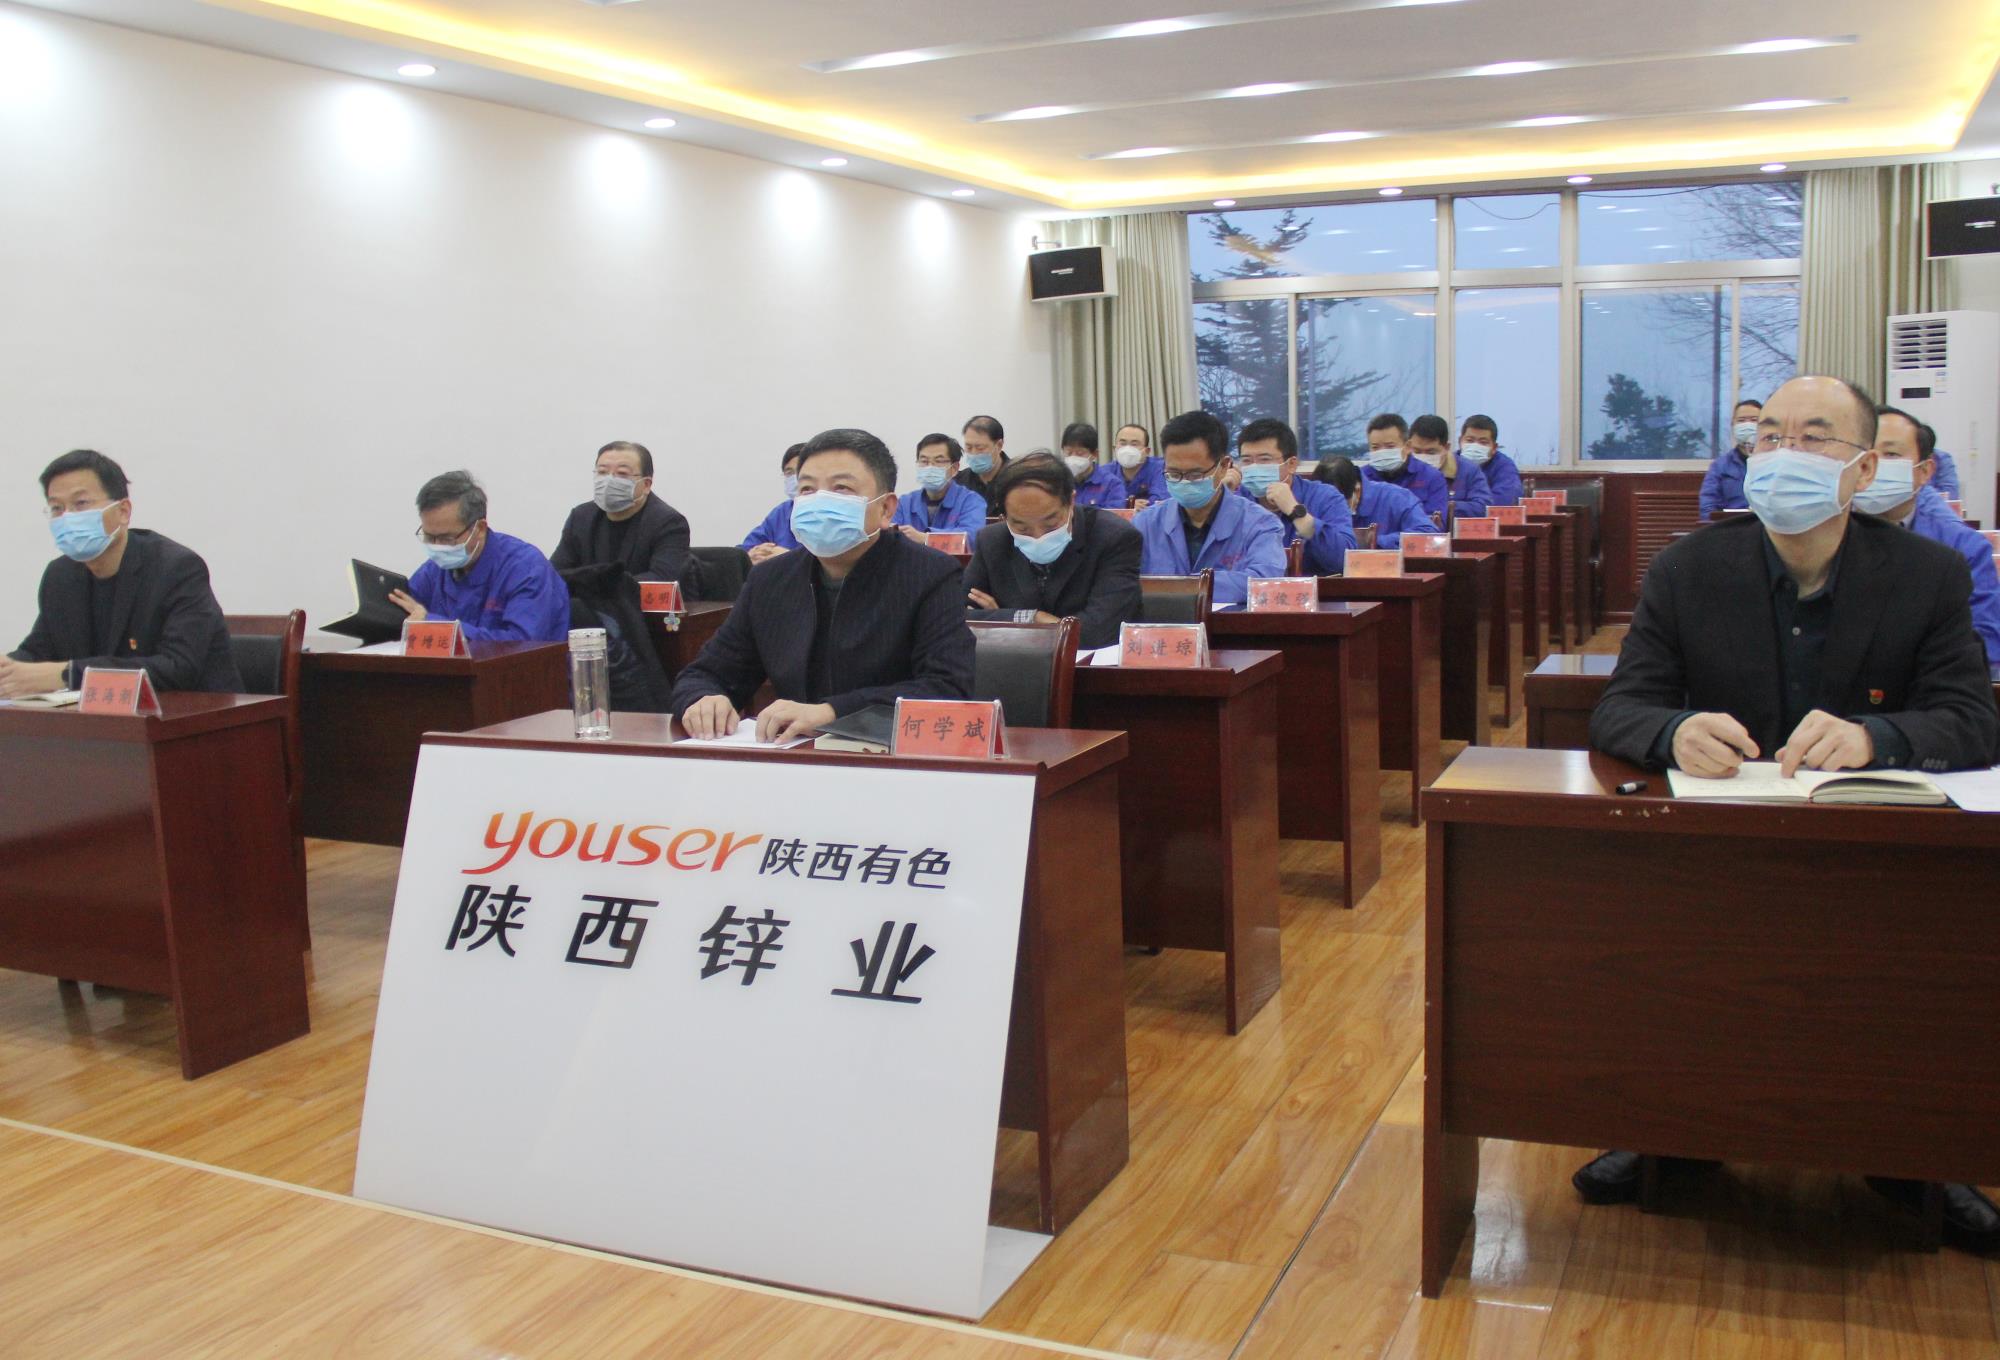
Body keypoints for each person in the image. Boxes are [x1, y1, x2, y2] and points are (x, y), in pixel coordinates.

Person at [1583, 375, 2000, 1250]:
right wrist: (1674, 729)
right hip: (1723, 849)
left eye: (1813, 437)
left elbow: (1972, 719)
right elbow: (1621, 707)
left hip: (1875, 853)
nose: (1782, 454)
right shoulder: (1690, 568)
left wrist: (1876, 738)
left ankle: (1916, 1153)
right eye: (1769, 436)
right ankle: (1673, 1134)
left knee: (1922, 969)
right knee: (1667, 956)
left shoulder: (1928, 574)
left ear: (1863, 470)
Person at [672, 427, 975, 742]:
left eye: (841, 488)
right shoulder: (770, 579)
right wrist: (702, 699)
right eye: (807, 489)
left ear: (885, 509)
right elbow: (706, 673)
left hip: (886, 755)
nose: (819, 501)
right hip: (792, 754)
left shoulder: (930, 573)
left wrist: (832, 713)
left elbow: (947, 688)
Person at [5, 449, 241, 696]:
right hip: (105, 717)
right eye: (56, 508)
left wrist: (68, 674)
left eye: (81, 504)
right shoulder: (60, 575)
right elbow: (38, 652)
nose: (67, 518)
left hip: (201, 714)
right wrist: (8, 669)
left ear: (123, 511)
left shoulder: (176, 568)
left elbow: (178, 667)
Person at [1855, 407, 2000, 669]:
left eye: (1891, 454)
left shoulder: (1962, 548)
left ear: (1925, 470)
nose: (1874, 464)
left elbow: (1983, 646)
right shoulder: (1820, 537)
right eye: (1865, 453)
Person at [964, 452, 1142, 649]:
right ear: (1004, 516)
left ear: (1071, 501)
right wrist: (1030, 618)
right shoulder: (992, 541)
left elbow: (1095, 633)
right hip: (1013, 664)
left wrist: (1000, 622)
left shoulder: (1114, 537)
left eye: (1050, 525)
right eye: (1022, 528)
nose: (1038, 536)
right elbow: (954, 619)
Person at [394, 470, 569, 642]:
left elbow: (521, 644)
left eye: (447, 538)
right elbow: (407, 609)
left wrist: (435, 626)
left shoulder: (526, 569)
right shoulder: (434, 570)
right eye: (429, 537)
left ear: (480, 529)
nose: (438, 547)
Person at [1134, 410, 1285, 605]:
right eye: (1174, 474)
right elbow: (1121, 583)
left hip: (1228, 624)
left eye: (1195, 474)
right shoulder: (1145, 524)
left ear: (1223, 466)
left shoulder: (1261, 524)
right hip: (1159, 624)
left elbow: (1265, 583)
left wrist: (1182, 587)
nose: (1184, 482)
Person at [549, 440, 692, 583]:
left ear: (646, 484)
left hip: (638, 598)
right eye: (602, 472)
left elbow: (662, 579)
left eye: (622, 473)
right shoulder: (581, 517)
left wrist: (598, 587)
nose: (609, 481)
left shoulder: (669, 523)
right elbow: (554, 574)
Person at [1231, 417, 1355, 574]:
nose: (1254, 467)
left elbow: (1344, 562)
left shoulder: (1325, 497)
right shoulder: (1236, 500)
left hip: (1312, 589)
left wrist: (1296, 512)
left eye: (1264, 459)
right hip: (1247, 588)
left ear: (1291, 464)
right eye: (1247, 461)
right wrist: (1221, 499)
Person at [1315, 455, 1435, 550]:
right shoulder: (1313, 500)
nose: (1331, 511)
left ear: (1356, 490)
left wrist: (1374, 542)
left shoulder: (1397, 498)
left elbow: (1428, 535)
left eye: (1338, 504)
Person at [1361, 413, 1449, 527]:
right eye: (1375, 447)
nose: (1382, 452)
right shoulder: (1361, 478)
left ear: (1407, 446)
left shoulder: (1432, 477)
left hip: (1414, 537)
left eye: (1390, 446)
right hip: (1369, 538)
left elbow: (1434, 526)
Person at [894, 434, 987, 538]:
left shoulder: (971, 501)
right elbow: (890, 535)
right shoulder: (904, 503)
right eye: (924, 461)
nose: (930, 467)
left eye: (938, 461)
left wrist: (925, 538)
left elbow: (971, 537)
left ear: (954, 468)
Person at [1408, 414, 1491, 522]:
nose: (1423, 457)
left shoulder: (1469, 471)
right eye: (1417, 451)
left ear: (1446, 447)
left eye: (1431, 452)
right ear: (1408, 446)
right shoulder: (1401, 470)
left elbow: (1483, 507)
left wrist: (1441, 506)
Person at [1698, 397, 1763, 520]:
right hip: (1731, 526)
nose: (1747, 425)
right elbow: (1707, 507)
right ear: (1733, 426)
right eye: (1741, 420)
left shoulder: (1775, 462)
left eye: (1754, 420)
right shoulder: (1720, 466)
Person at [741, 443, 806, 564]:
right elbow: (748, 547)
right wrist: (750, 556)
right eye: (789, 473)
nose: (795, 478)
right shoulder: (782, 512)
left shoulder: (828, 512)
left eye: (800, 471)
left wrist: (789, 558)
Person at [1058, 423, 1130, 510]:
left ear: (1095, 454)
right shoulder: (1057, 482)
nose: (1073, 457)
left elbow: (1114, 516)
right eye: (1068, 452)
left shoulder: (1112, 484)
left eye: (1080, 453)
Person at [1457, 414, 1521, 506]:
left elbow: (1505, 499)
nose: (1475, 446)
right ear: (1460, 441)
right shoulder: (1450, 463)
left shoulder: (1504, 466)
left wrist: (1467, 507)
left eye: (1483, 442)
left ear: (1494, 447)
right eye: (1470, 440)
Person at [955, 415, 1010, 515]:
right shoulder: (958, 483)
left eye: (980, 448)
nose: (974, 453)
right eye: (968, 447)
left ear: (999, 445)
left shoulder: (1019, 480)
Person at [1111, 422, 1168, 508]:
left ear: (1147, 451)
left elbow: (1161, 501)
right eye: (1123, 443)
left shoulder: (1161, 468)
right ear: (1114, 449)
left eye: (1134, 444)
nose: (1127, 449)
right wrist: (1127, 503)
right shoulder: (1105, 472)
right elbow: (1098, 501)